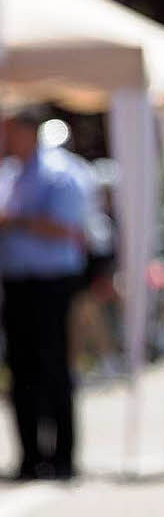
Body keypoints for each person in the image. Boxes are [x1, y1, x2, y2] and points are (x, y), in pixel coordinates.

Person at [0, 106, 87, 480]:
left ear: (28, 130)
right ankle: (30, 457)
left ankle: (63, 456)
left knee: (53, 367)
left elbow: (69, 229)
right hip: (16, 283)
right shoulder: (8, 174)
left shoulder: (61, 172)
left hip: (51, 284)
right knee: (21, 371)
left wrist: (16, 221)